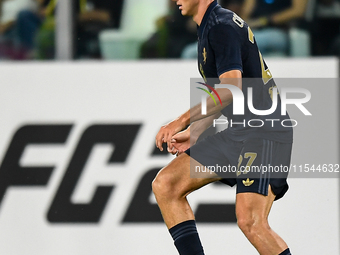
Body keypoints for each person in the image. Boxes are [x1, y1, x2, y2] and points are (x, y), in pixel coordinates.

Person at [153, 0, 293, 255]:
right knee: (166, 184)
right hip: (240, 132)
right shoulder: (210, 25)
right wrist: (195, 132)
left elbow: (231, 89)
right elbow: (221, 94)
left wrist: (182, 121)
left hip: (265, 132)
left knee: (251, 221)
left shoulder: (221, 26)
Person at [241, 0, 308, 56]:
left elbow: (298, 11)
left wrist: (266, 21)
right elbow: (246, 13)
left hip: (280, 31)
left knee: (248, 43)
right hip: (254, 30)